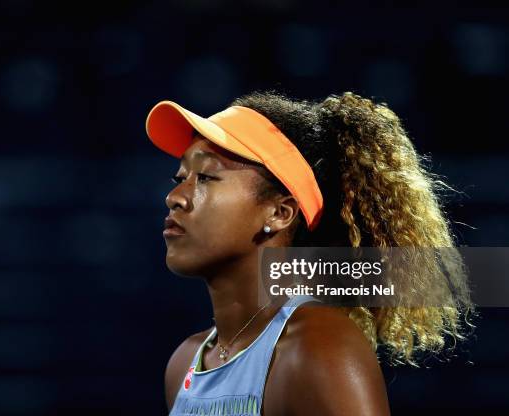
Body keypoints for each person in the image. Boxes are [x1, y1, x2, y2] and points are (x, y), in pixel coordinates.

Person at [144, 91, 472, 415]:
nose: (175, 196)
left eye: (205, 177)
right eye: (180, 177)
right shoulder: (183, 365)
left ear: (279, 213)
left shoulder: (319, 347)